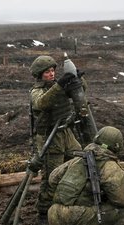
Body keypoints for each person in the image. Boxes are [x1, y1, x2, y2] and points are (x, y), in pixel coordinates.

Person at [27, 55, 83, 222]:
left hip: (66, 133)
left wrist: (78, 80)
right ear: (39, 75)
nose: (51, 74)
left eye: (53, 71)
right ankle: (44, 213)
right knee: (51, 178)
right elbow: (42, 103)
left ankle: (70, 200)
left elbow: (80, 93)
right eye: (47, 72)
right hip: (49, 138)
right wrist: (60, 84)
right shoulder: (36, 91)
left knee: (81, 161)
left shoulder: (58, 86)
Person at [47, 126, 124, 225]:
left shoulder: (77, 159)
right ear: (117, 146)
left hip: (54, 214)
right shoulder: (109, 166)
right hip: (77, 216)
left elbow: (52, 178)